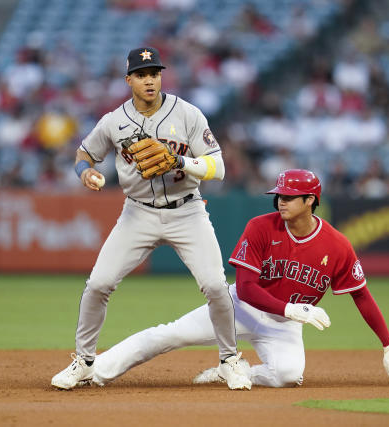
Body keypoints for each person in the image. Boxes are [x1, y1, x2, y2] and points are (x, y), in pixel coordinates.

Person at [88, 169, 389, 388]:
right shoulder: (260, 227)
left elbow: (361, 295)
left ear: (311, 200)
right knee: (170, 335)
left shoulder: (337, 246)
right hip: (238, 307)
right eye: (279, 195)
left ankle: (233, 370)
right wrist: (292, 310)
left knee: (288, 375)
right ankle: (95, 370)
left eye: (289, 196)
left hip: (283, 326)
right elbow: (244, 287)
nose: (280, 200)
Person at [51, 47, 251, 390]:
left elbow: (217, 166)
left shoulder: (188, 114)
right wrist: (85, 173)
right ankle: (83, 362)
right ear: (129, 79)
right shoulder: (114, 121)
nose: (150, 80)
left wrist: (181, 163)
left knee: (217, 286)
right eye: (142, 74)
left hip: (187, 210)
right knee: (99, 284)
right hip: (138, 212)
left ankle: (230, 360)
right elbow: (84, 154)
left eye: (155, 73)